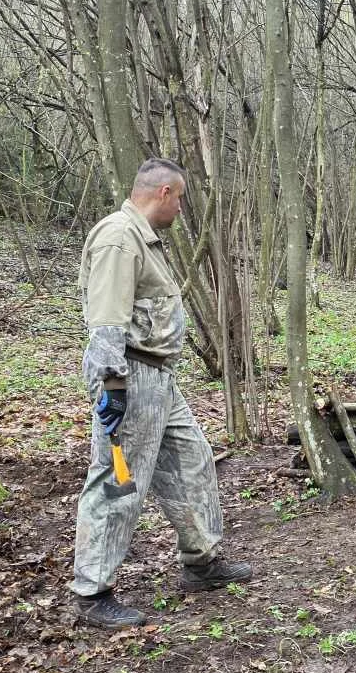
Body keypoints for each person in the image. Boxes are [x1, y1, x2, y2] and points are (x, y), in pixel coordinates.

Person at [72, 158, 252, 628]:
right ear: (165, 193)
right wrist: (112, 389)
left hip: (158, 379)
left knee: (193, 459)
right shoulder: (118, 238)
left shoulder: (142, 238)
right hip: (129, 377)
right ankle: (92, 591)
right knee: (118, 482)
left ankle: (202, 561)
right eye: (182, 199)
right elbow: (106, 320)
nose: (182, 209)